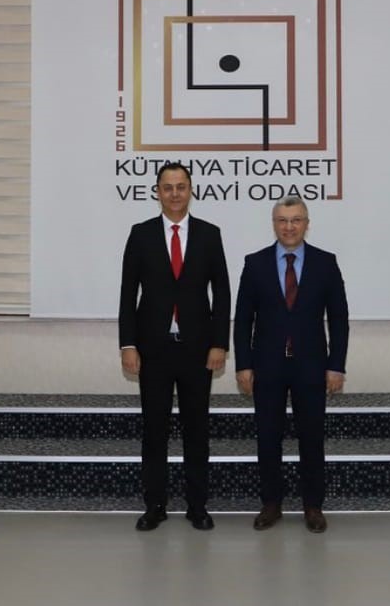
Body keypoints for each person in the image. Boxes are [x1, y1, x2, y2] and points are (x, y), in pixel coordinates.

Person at [118, 162, 230, 532]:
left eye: (181, 186)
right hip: (153, 350)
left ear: (190, 189)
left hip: (198, 350)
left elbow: (222, 293)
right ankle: (155, 505)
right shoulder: (141, 234)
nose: (175, 193)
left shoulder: (209, 234)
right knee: (155, 430)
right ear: (158, 192)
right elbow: (127, 294)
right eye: (168, 187)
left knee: (197, 430)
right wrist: (128, 344)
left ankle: (197, 506)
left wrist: (219, 343)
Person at [234, 196, 349, 533]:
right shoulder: (254, 263)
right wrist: (243, 365)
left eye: (296, 220)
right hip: (266, 366)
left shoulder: (326, 263)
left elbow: (338, 319)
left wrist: (336, 366)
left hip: (311, 367)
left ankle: (313, 506)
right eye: (282, 220)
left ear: (306, 224)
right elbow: (243, 320)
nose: (289, 227)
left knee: (311, 438)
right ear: (274, 224)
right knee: (267, 437)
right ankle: (271, 504)